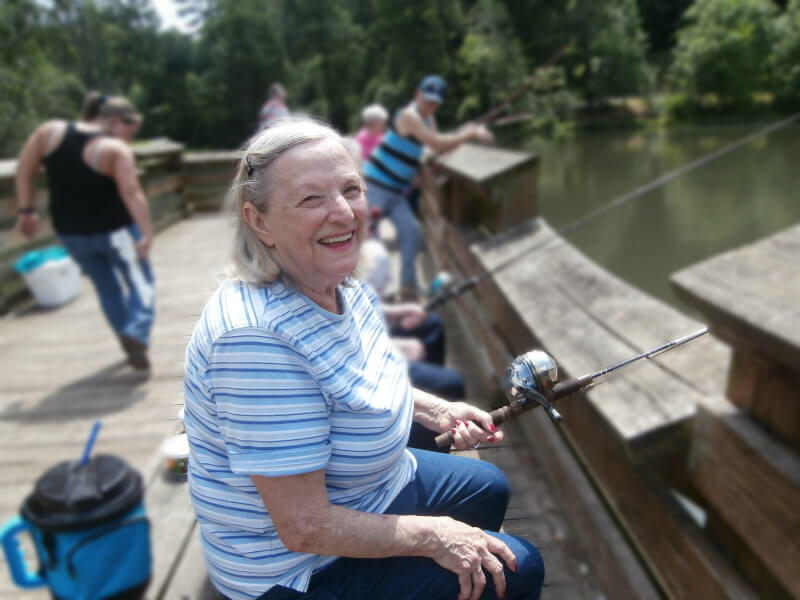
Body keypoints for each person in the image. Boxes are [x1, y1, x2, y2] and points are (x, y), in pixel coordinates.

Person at [183, 117, 544, 600]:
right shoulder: (254, 343)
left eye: (350, 189)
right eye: (312, 198)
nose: (343, 213)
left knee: (488, 488)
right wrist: (436, 536)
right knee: (523, 566)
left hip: (365, 492)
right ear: (259, 221)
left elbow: (361, 378)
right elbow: (304, 527)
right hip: (297, 568)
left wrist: (438, 409)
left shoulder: (333, 279)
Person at [15, 92, 155, 370]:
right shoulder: (113, 150)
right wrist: (147, 232)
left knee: (107, 288)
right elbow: (131, 193)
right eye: (130, 130)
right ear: (116, 120)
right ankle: (135, 332)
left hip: (71, 233)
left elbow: (24, 168)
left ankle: (127, 339)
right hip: (117, 233)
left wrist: (26, 210)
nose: (129, 138)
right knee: (142, 283)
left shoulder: (49, 133)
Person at [363, 74, 494, 301]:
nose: (430, 105)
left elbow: (435, 147)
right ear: (417, 95)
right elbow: (435, 142)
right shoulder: (408, 115)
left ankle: (408, 287)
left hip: (397, 191)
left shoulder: (429, 119)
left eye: (435, 102)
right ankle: (365, 292)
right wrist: (470, 133)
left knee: (412, 232)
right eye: (427, 99)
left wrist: (462, 135)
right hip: (375, 185)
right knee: (366, 236)